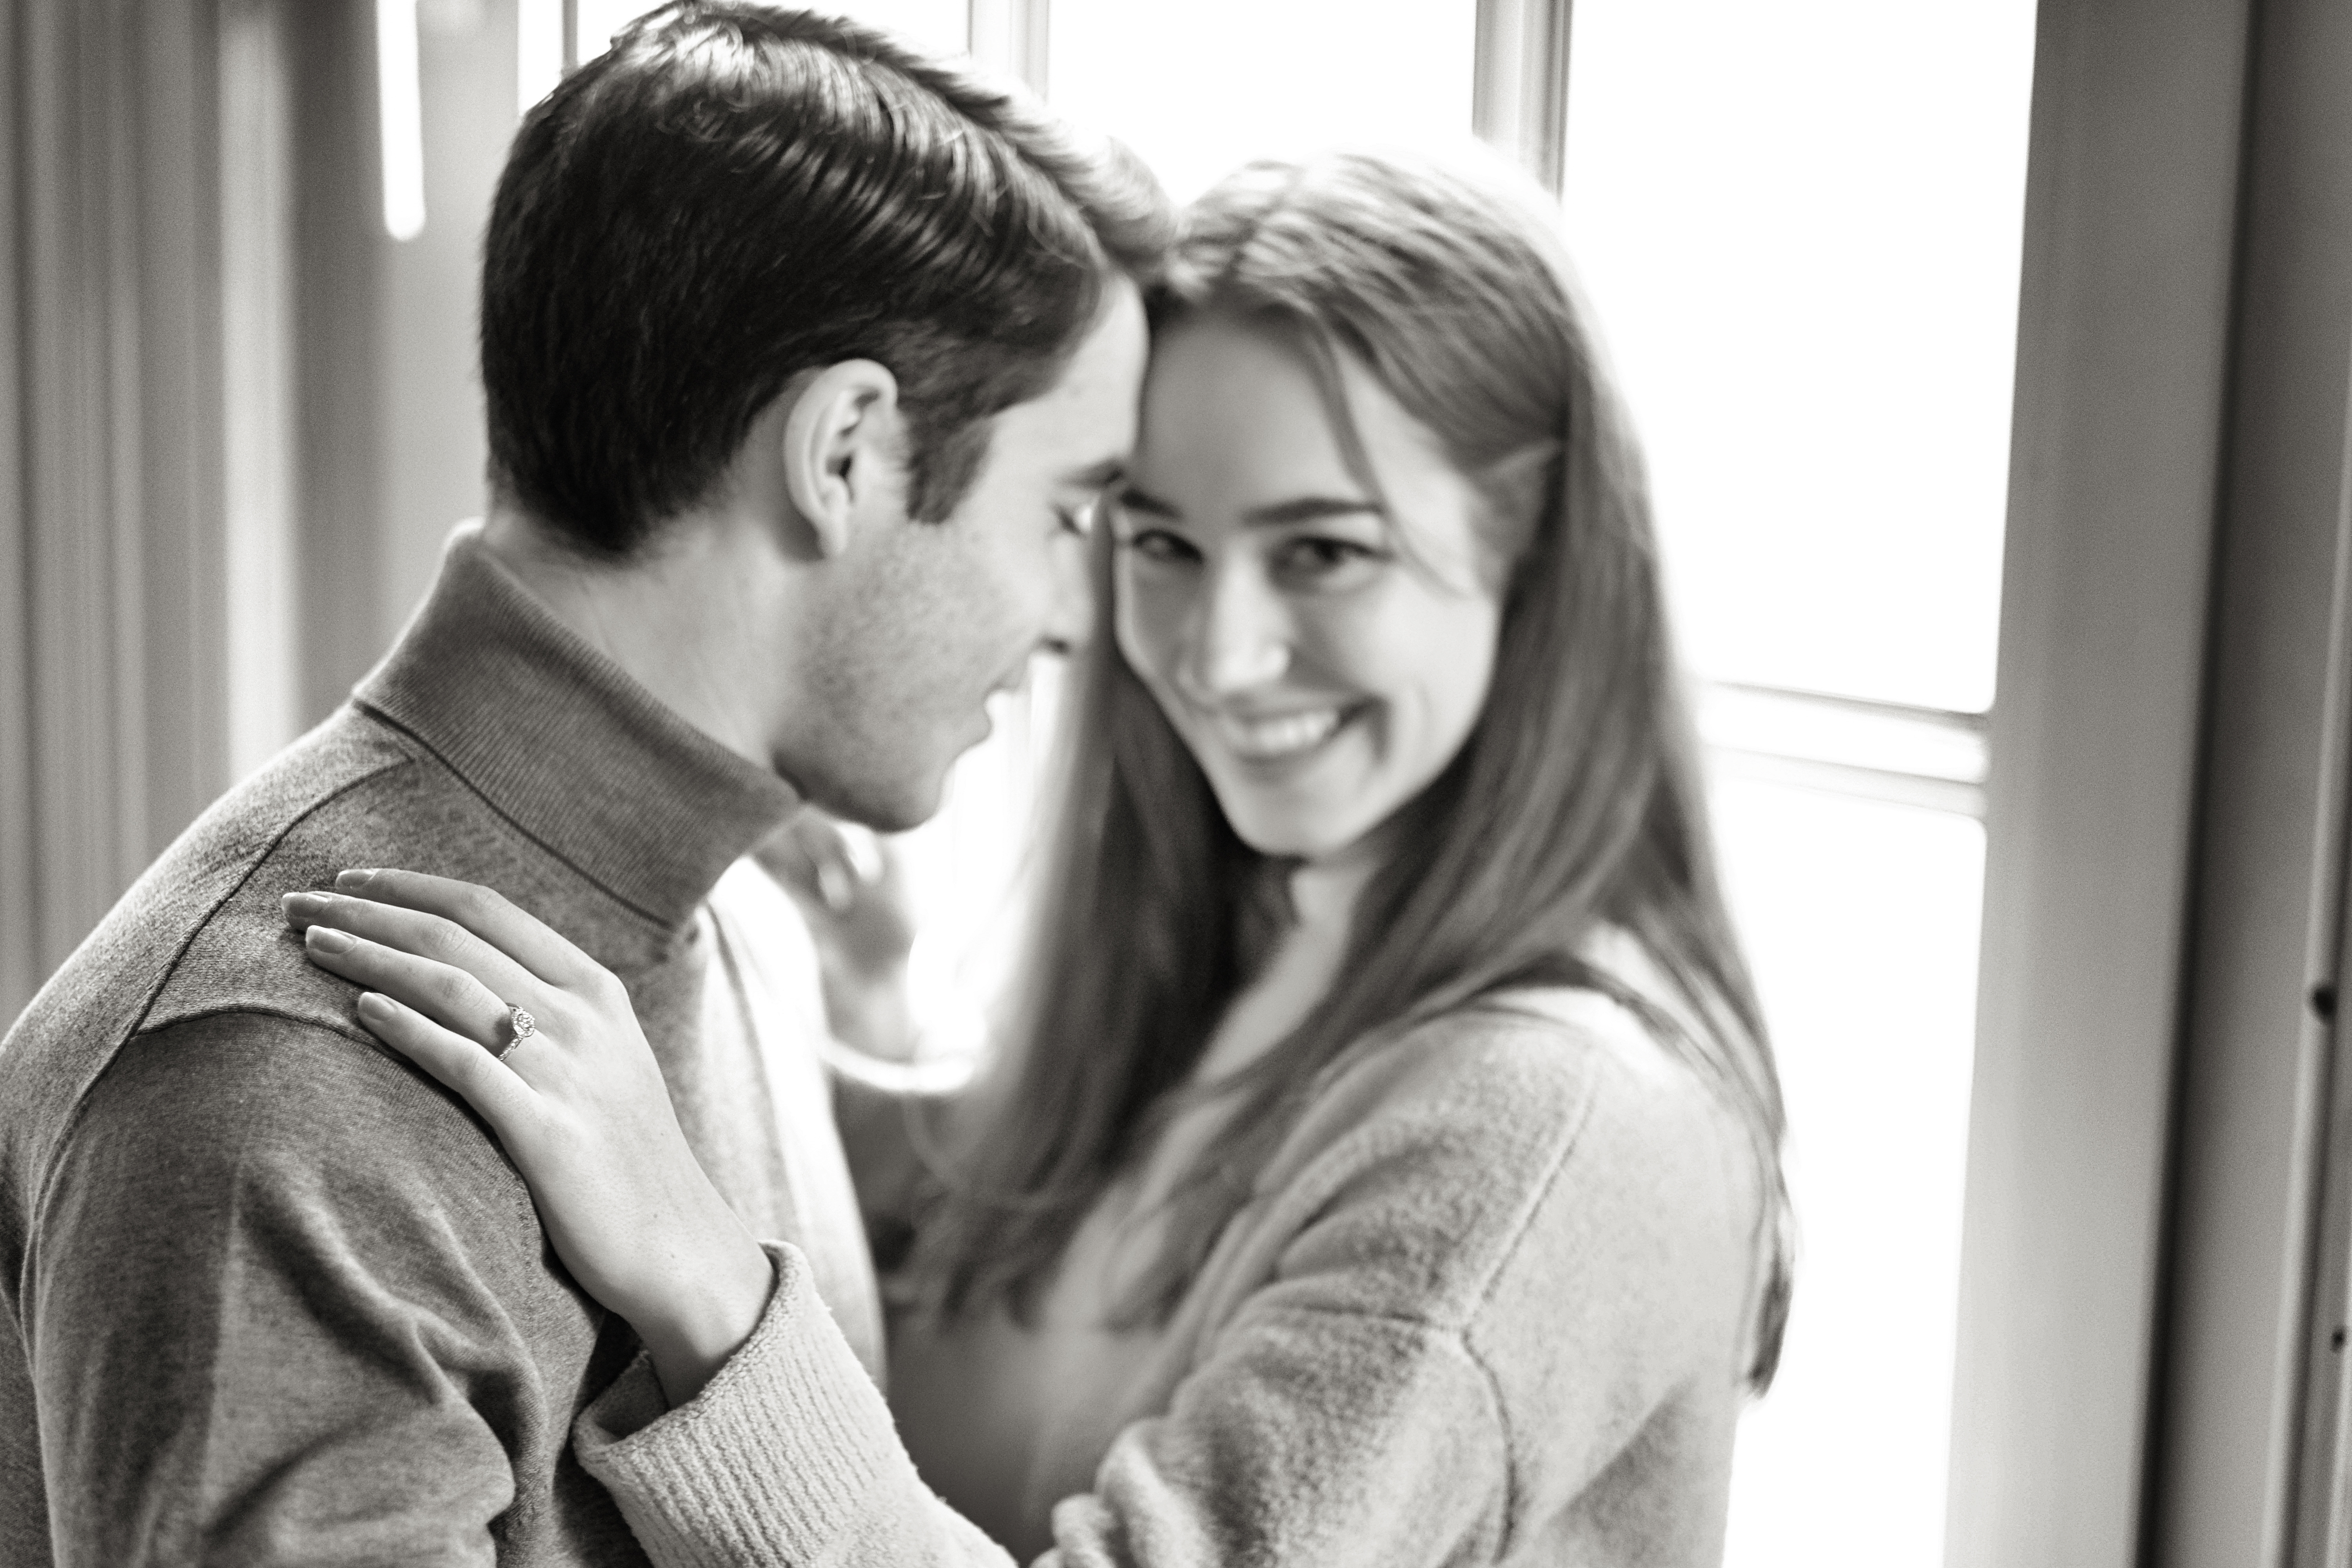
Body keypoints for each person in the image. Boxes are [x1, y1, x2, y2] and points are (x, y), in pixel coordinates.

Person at [291, 147, 1796, 1565]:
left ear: (1538, 560)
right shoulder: (1258, 944)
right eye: (1158, 543)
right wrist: (858, 1001)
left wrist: (705, 1286)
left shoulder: (1554, 1127)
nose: (1217, 652)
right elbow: (976, 1321)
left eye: (1326, 552)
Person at [0, 5, 1168, 1561]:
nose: (1079, 619)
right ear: (846, 453)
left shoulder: (737, 930)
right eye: (1068, 515)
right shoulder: (284, 1094)